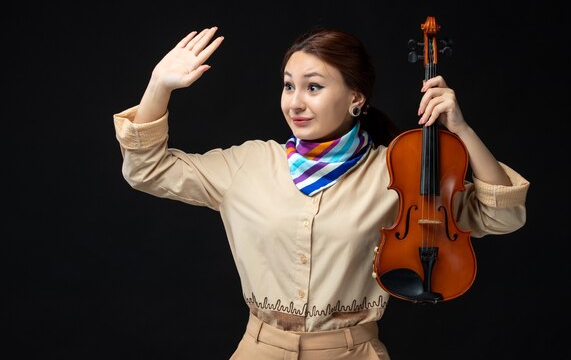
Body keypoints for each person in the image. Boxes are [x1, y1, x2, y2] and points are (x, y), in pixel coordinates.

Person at [113, 26, 529, 360]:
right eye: (288, 86)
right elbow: (146, 170)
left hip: (354, 351)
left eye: (313, 87)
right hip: (260, 350)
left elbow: (501, 216)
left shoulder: (398, 169)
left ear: (355, 98)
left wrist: (461, 130)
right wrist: (158, 86)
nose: (295, 101)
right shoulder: (248, 164)